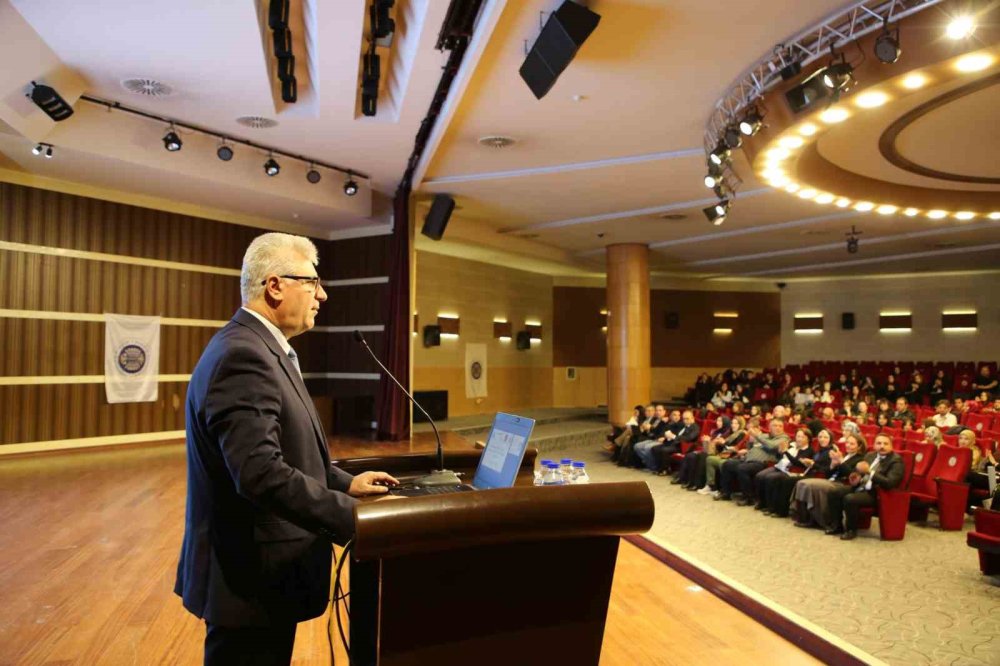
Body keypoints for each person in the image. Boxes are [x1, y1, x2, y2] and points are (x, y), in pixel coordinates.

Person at [174, 233, 399, 666]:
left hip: (259, 577)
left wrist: (346, 483)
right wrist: (351, 517)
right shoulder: (244, 355)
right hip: (247, 581)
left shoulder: (262, 348)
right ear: (274, 286)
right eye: (312, 282)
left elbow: (289, 454)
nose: (323, 294)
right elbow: (259, 472)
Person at [825, 433, 905, 540]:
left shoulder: (896, 461)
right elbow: (858, 473)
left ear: (891, 446)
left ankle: (851, 530)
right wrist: (855, 478)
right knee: (834, 492)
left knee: (850, 499)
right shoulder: (870, 456)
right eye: (879, 443)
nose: (882, 446)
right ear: (874, 445)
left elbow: (890, 483)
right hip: (860, 486)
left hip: (877, 493)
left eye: (885, 444)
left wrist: (870, 472)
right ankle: (836, 525)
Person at [791, 433, 867, 529]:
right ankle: (806, 518)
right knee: (802, 483)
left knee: (808, 484)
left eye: (852, 444)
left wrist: (841, 461)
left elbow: (852, 476)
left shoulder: (860, 459)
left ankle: (819, 519)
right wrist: (832, 464)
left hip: (843, 484)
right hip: (831, 480)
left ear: (859, 446)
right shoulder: (846, 456)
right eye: (847, 443)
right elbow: (828, 474)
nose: (848, 445)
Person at [716, 418, 789, 505]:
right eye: (775, 425)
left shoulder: (784, 438)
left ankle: (748, 497)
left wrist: (756, 436)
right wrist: (749, 443)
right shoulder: (764, 436)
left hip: (764, 463)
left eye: (780, 426)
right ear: (769, 427)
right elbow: (752, 447)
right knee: (727, 464)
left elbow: (771, 446)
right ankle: (726, 492)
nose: (778, 428)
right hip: (748, 460)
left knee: (742, 468)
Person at [753, 428, 816, 515]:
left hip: (790, 470)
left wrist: (786, 452)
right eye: (798, 436)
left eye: (802, 437)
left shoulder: (808, 450)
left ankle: (771, 507)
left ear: (808, 439)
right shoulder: (792, 445)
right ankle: (762, 502)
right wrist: (780, 452)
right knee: (760, 476)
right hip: (780, 466)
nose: (799, 439)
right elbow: (781, 457)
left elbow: (796, 462)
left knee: (770, 478)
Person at [676, 415, 730, 488]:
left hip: (718, 453)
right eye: (717, 421)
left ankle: (698, 484)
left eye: (720, 421)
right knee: (691, 456)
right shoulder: (715, 431)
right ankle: (689, 481)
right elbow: (710, 445)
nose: (718, 423)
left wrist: (710, 441)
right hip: (709, 450)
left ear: (725, 422)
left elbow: (721, 446)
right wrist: (707, 440)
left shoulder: (727, 433)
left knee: (702, 456)